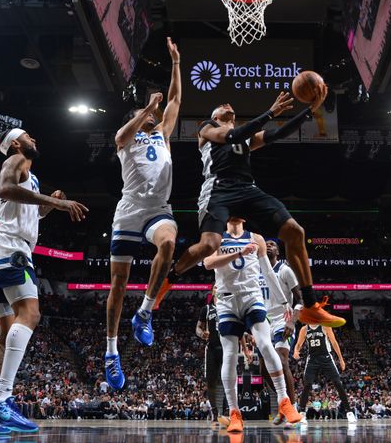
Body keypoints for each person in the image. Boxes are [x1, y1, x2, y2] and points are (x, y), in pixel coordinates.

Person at [155, 87, 345, 329]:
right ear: (214, 116)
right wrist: (270, 112)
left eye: (231, 110)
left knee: (295, 231)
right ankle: (168, 279)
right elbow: (231, 137)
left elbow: (278, 133)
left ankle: (310, 306)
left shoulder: (244, 136)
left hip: (247, 189)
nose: (227, 105)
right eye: (222, 107)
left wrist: (309, 111)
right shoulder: (206, 129)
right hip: (218, 189)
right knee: (210, 245)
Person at [0, 127, 87, 435]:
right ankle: (2, 399)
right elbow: (5, 190)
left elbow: (28, 210)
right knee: (31, 314)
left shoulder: (29, 175)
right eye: (29, 135)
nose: (35, 138)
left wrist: (47, 205)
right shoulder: (15, 160)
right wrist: (57, 204)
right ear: (16, 143)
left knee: (5, 337)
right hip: (11, 246)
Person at [105, 38, 182, 390]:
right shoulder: (128, 139)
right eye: (147, 117)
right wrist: (145, 108)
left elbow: (176, 101)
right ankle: (111, 352)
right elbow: (120, 134)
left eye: (152, 116)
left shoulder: (162, 135)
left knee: (168, 245)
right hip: (129, 211)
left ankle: (146, 311)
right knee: (118, 285)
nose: (152, 117)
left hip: (157, 211)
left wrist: (177, 64)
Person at [203, 218, 302, 433]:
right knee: (229, 354)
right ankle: (235, 413)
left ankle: (285, 401)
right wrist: (239, 253)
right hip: (227, 300)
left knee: (266, 346)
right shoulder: (216, 238)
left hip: (252, 297)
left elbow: (267, 272)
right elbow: (208, 263)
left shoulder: (256, 239)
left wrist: (285, 301)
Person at [258, 239, 302, 424]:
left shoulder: (285, 270)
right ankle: (283, 401)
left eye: (272, 244)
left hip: (283, 320)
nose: (268, 246)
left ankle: (291, 406)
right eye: (265, 243)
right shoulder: (257, 271)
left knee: (281, 360)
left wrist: (292, 321)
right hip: (263, 322)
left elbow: (300, 299)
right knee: (263, 369)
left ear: (278, 251)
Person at [293, 323, 356, 423]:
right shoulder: (304, 329)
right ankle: (302, 413)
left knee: (338, 383)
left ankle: (349, 412)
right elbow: (298, 344)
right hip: (312, 359)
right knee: (307, 384)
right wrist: (296, 351)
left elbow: (334, 342)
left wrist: (341, 359)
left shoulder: (325, 326)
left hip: (326, 357)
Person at [196, 284, 228, 428]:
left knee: (229, 381)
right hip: (212, 348)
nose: (218, 288)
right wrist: (201, 333)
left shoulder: (228, 307)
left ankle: (228, 411)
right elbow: (198, 327)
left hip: (227, 348)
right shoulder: (206, 309)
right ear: (212, 291)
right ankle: (215, 413)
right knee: (211, 382)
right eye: (215, 286)